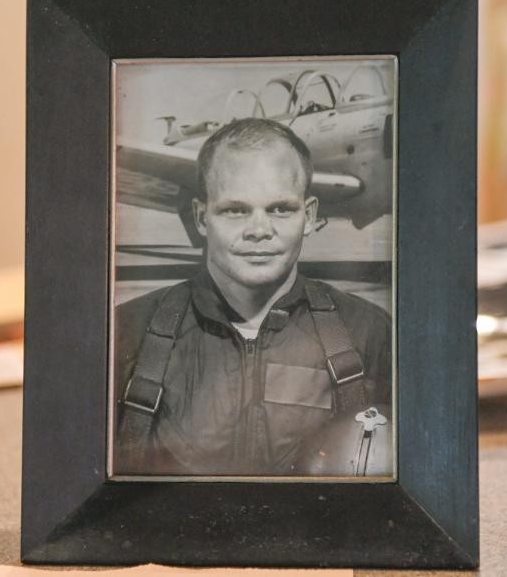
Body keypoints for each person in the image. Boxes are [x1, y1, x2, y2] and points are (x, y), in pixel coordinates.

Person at [113, 117, 391, 476]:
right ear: (201, 217)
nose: (259, 231)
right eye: (235, 210)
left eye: (280, 209)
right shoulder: (126, 331)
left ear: (309, 216)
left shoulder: (371, 334)